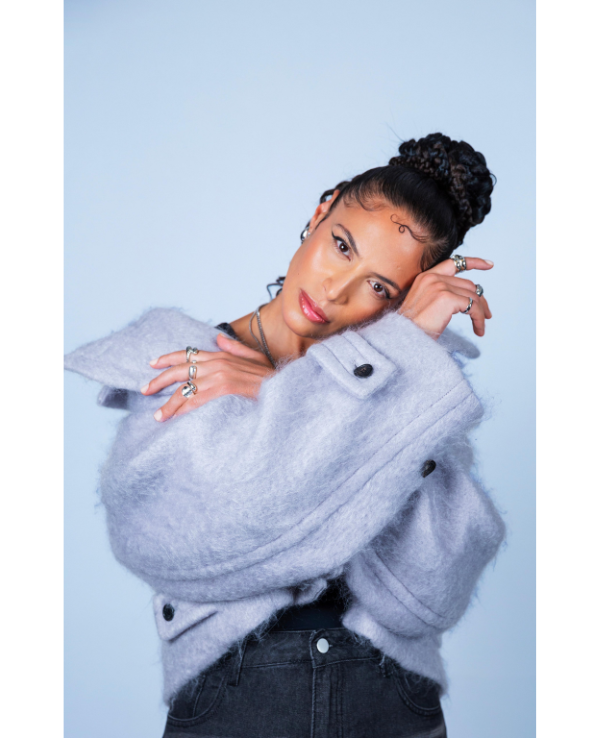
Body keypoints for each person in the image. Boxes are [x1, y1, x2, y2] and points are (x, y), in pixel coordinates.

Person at [65, 133, 506, 737]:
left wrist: (295, 387)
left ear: (401, 309)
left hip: (392, 705)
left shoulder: (410, 388)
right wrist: (347, 430)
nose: (335, 290)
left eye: (380, 287)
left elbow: (434, 590)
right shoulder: (186, 361)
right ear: (320, 212)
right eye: (342, 246)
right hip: (237, 704)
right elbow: (183, 538)